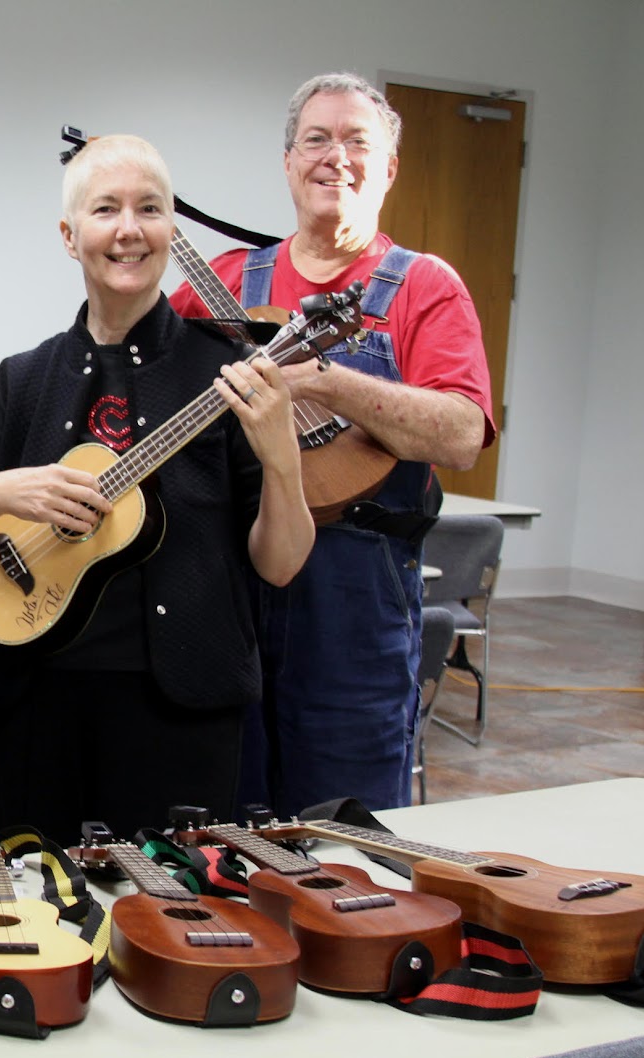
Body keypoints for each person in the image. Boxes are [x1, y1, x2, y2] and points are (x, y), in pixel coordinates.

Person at [0, 135, 314, 847]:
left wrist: (282, 462)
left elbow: (280, 564)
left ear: (171, 230)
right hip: (38, 699)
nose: (129, 228)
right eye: (106, 209)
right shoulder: (23, 379)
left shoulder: (230, 373)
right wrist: (1, 491)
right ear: (70, 235)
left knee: (172, 919)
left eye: (150, 209)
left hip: (185, 704)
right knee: (40, 907)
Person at [170, 72, 497, 814]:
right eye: (316, 139)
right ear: (288, 161)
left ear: (388, 169)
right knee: (224, 823)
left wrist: (324, 380)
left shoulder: (424, 287)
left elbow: (462, 433)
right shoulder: (220, 283)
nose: (335, 156)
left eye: (359, 141)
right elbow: (140, 381)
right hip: (233, 583)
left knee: (349, 836)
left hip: (359, 593)